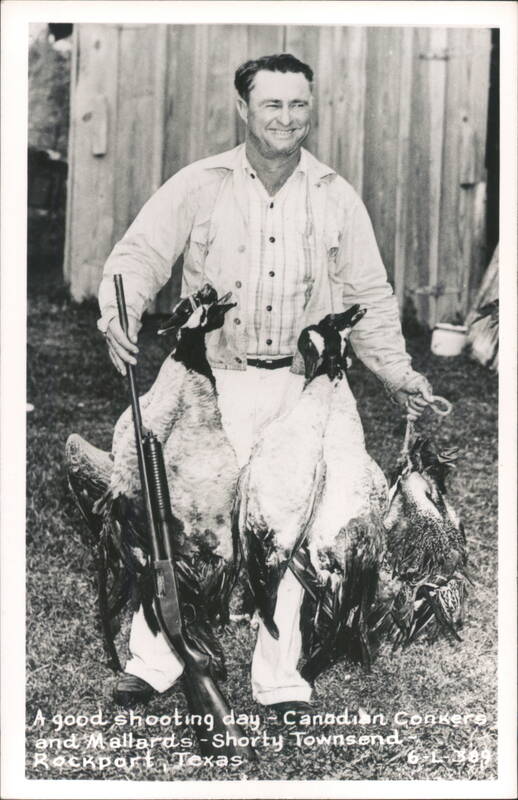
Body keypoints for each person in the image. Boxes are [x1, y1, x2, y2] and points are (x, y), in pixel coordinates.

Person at [97, 53, 434, 712]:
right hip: (208, 384)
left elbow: (368, 293)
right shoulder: (201, 184)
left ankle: (277, 677)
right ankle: (155, 660)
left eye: (298, 104)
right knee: (180, 519)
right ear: (244, 109)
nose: (286, 117)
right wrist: (120, 312)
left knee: (291, 526)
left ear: (311, 109)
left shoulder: (335, 195)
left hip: (300, 391)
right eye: (272, 104)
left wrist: (397, 372)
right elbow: (138, 256)